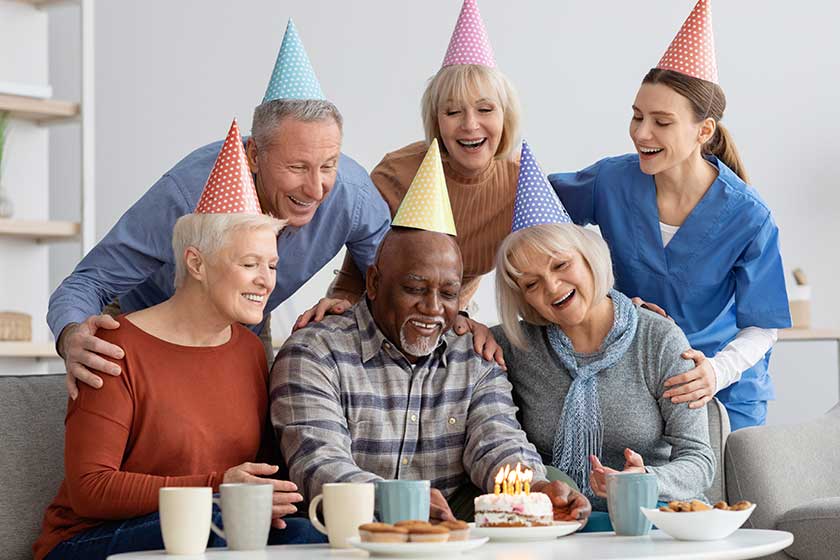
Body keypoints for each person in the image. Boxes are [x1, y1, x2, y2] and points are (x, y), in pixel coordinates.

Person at [47, 19, 390, 399]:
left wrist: (351, 303)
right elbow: (86, 283)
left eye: (328, 166)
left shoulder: (352, 195)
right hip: (144, 324)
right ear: (254, 155)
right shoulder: (186, 195)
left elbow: (397, 279)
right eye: (296, 168)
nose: (315, 188)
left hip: (242, 330)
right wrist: (73, 334)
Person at [34, 128, 324, 560]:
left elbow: (256, 478)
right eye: (249, 264)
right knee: (222, 521)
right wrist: (218, 487)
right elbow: (90, 490)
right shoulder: (113, 348)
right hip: (89, 539)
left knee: (314, 536)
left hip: (209, 527)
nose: (267, 280)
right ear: (196, 263)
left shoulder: (247, 351)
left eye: (271, 265)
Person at [271, 144, 590, 523]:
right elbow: (319, 465)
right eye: (415, 288)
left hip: (452, 530)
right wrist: (401, 503)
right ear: (373, 282)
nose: (434, 307)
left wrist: (533, 489)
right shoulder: (315, 352)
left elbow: (498, 442)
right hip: (349, 535)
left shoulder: (474, 355)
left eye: (448, 293)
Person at [548, 0, 790, 429]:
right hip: (639, 378)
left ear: (703, 131)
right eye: (637, 117)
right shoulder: (611, 181)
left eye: (661, 122)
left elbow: (762, 326)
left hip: (724, 391)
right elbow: (534, 209)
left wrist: (716, 372)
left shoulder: (749, 216)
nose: (642, 133)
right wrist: (606, 298)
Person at [300, 0, 519, 365]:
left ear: (505, 115)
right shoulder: (397, 173)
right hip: (377, 321)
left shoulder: (519, 183)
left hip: (447, 323)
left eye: (485, 109)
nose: (470, 125)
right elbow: (359, 268)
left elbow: (547, 269)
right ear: (436, 120)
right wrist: (339, 305)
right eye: (453, 111)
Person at [493, 220, 715, 525]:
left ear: (589, 258)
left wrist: (644, 479)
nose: (552, 287)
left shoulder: (658, 338)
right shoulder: (516, 345)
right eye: (532, 284)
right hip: (562, 526)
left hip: (653, 518)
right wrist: (468, 324)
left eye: (561, 265)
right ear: (523, 298)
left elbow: (699, 462)